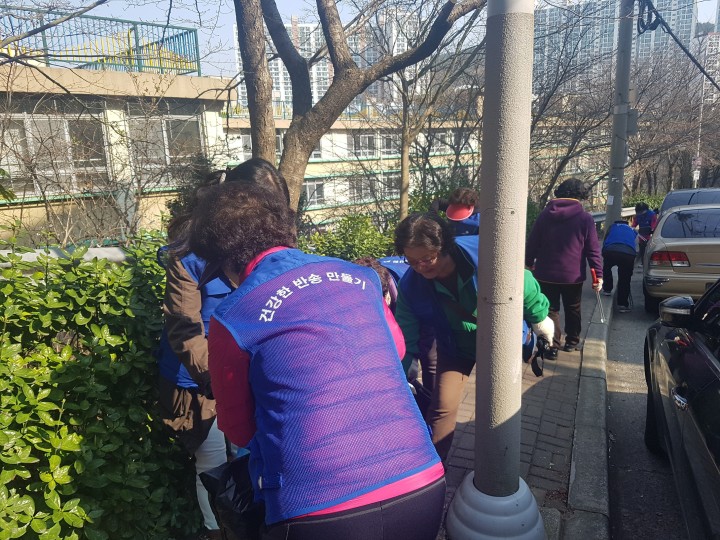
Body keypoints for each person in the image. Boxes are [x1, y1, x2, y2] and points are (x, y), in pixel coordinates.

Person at [189, 182, 446, 540]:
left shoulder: (233, 317)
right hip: (420, 478)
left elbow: (238, 429)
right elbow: (397, 349)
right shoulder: (361, 277)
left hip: (316, 506)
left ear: (225, 258)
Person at [156, 158, 290, 540]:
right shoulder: (189, 252)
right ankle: (219, 532)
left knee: (254, 454)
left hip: (247, 372)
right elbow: (185, 329)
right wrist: (221, 380)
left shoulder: (269, 248)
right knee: (214, 463)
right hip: (200, 380)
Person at [393, 212, 553, 460]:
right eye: (412, 261)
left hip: (499, 341)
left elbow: (523, 281)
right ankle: (435, 469)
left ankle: (498, 464)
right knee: (442, 407)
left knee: (497, 407)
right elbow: (405, 337)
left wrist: (540, 318)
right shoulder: (411, 285)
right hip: (455, 346)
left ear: (443, 246)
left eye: (426, 259)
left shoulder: (483, 254)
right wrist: (397, 379)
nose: (420, 267)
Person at [525, 178, 603, 358]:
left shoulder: (545, 215)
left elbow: (533, 242)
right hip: (573, 275)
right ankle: (572, 342)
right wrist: (598, 274)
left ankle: (552, 345)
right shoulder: (585, 218)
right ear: (580, 196)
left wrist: (529, 262)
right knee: (573, 308)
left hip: (545, 273)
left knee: (550, 309)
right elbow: (593, 250)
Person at [601, 219, 638, 313]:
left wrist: (604, 253)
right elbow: (634, 243)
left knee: (607, 267)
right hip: (628, 253)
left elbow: (605, 240)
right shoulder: (632, 229)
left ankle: (607, 289)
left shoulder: (612, 227)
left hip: (611, 250)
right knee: (625, 278)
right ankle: (622, 304)